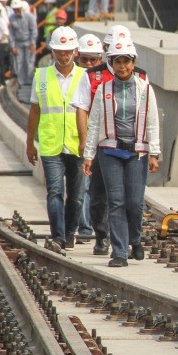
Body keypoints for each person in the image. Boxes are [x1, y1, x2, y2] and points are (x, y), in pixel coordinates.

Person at [81, 36, 160, 267]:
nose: (122, 66)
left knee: (134, 202)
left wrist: (154, 153)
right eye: (118, 62)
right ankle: (119, 252)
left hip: (137, 152)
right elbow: (94, 122)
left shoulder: (145, 89)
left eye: (126, 61)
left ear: (133, 63)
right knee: (115, 201)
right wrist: (88, 155)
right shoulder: (104, 89)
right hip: (109, 151)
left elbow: (153, 122)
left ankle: (135, 239)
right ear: (111, 64)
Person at [26, 26, 90, 252]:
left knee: (77, 197)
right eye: (59, 52)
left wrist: (88, 143)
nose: (63, 56)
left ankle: (70, 232)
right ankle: (59, 237)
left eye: (67, 51)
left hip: (77, 146)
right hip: (51, 144)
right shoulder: (41, 76)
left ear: (75, 51)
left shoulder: (85, 77)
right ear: (52, 52)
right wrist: (29, 143)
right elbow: (35, 111)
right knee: (54, 191)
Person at [74, 33, 103, 243]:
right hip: (76, 141)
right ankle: (85, 228)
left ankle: (98, 226)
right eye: (85, 59)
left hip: (101, 141)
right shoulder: (73, 78)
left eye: (94, 59)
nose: (89, 63)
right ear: (77, 57)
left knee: (99, 186)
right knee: (82, 185)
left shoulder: (103, 79)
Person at [9, 0, 37, 86]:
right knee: (19, 62)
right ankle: (21, 82)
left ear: (21, 8)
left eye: (17, 9)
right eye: (14, 9)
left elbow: (33, 30)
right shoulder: (11, 18)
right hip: (18, 43)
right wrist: (12, 46)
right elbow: (11, 34)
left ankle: (29, 81)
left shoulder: (29, 17)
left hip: (28, 42)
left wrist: (32, 43)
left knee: (29, 62)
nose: (16, 11)